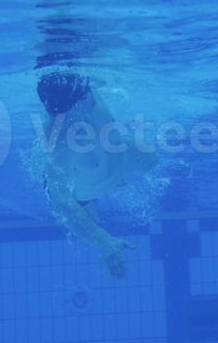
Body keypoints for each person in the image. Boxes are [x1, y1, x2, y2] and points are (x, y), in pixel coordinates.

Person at [37, 69, 156, 278]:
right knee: (80, 214)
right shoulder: (58, 140)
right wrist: (103, 241)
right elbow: (61, 201)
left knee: (152, 160)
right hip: (86, 191)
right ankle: (95, 225)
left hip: (118, 162)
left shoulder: (86, 91)